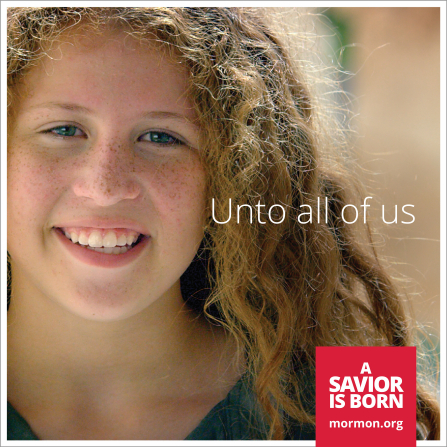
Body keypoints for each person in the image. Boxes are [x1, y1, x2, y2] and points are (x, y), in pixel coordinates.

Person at [6, 7, 440, 441]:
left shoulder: (361, 396)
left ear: (233, 176)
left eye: (161, 137)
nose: (105, 186)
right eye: (63, 129)